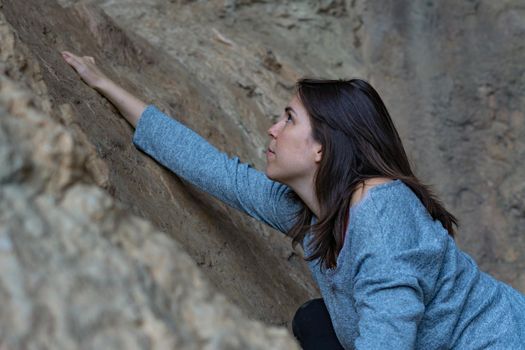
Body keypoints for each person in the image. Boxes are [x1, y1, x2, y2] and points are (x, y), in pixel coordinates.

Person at [61, 50, 525, 349]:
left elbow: (388, 340)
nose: (272, 128)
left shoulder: (382, 220)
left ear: (321, 147)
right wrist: (105, 84)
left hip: (493, 341)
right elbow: (213, 169)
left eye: (288, 119)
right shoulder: (315, 203)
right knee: (313, 323)